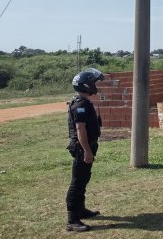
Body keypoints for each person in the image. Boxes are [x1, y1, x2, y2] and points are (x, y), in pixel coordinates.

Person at [65, 68, 105, 232]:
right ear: (87, 85)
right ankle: (72, 219)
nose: (96, 85)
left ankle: (81, 210)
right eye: (94, 82)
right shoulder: (80, 104)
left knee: (83, 179)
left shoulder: (83, 101)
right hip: (82, 148)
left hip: (87, 146)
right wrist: (87, 151)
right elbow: (80, 130)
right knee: (77, 182)